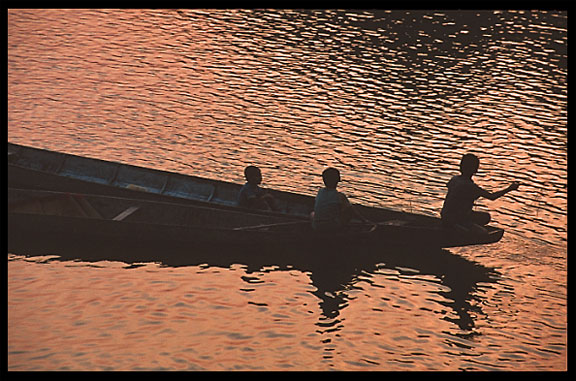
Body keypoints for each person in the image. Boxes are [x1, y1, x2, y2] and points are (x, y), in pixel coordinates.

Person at [441, 153, 519, 231]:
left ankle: (464, 225)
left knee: (486, 217)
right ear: (475, 169)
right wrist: (509, 189)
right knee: (484, 233)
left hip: (445, 215)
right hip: (456, 219)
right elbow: (492, 197)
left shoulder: (454, 179)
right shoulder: (470, 186)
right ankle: (461, 228)